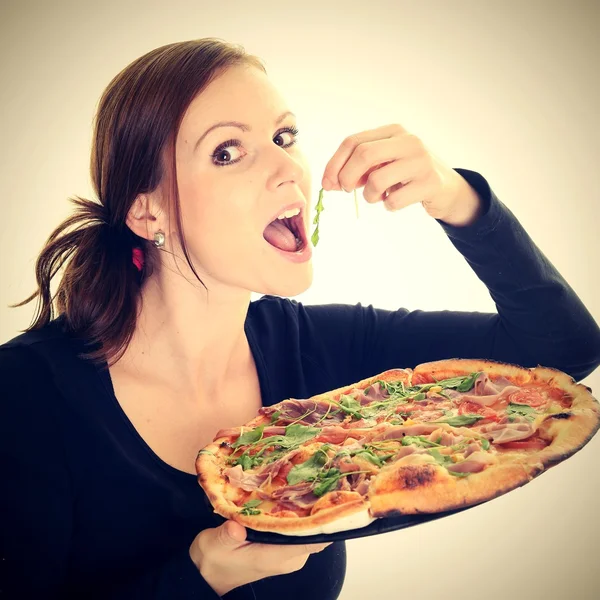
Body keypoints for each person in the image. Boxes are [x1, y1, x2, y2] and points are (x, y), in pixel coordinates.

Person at [1, 37, 599, 600]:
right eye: (228, 151)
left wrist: (456, 197)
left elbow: (562, 351)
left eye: (284, 136)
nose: (287, 168)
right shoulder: (26, 394)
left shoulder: (320, 350)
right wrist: (200, 578)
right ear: (147, 210)